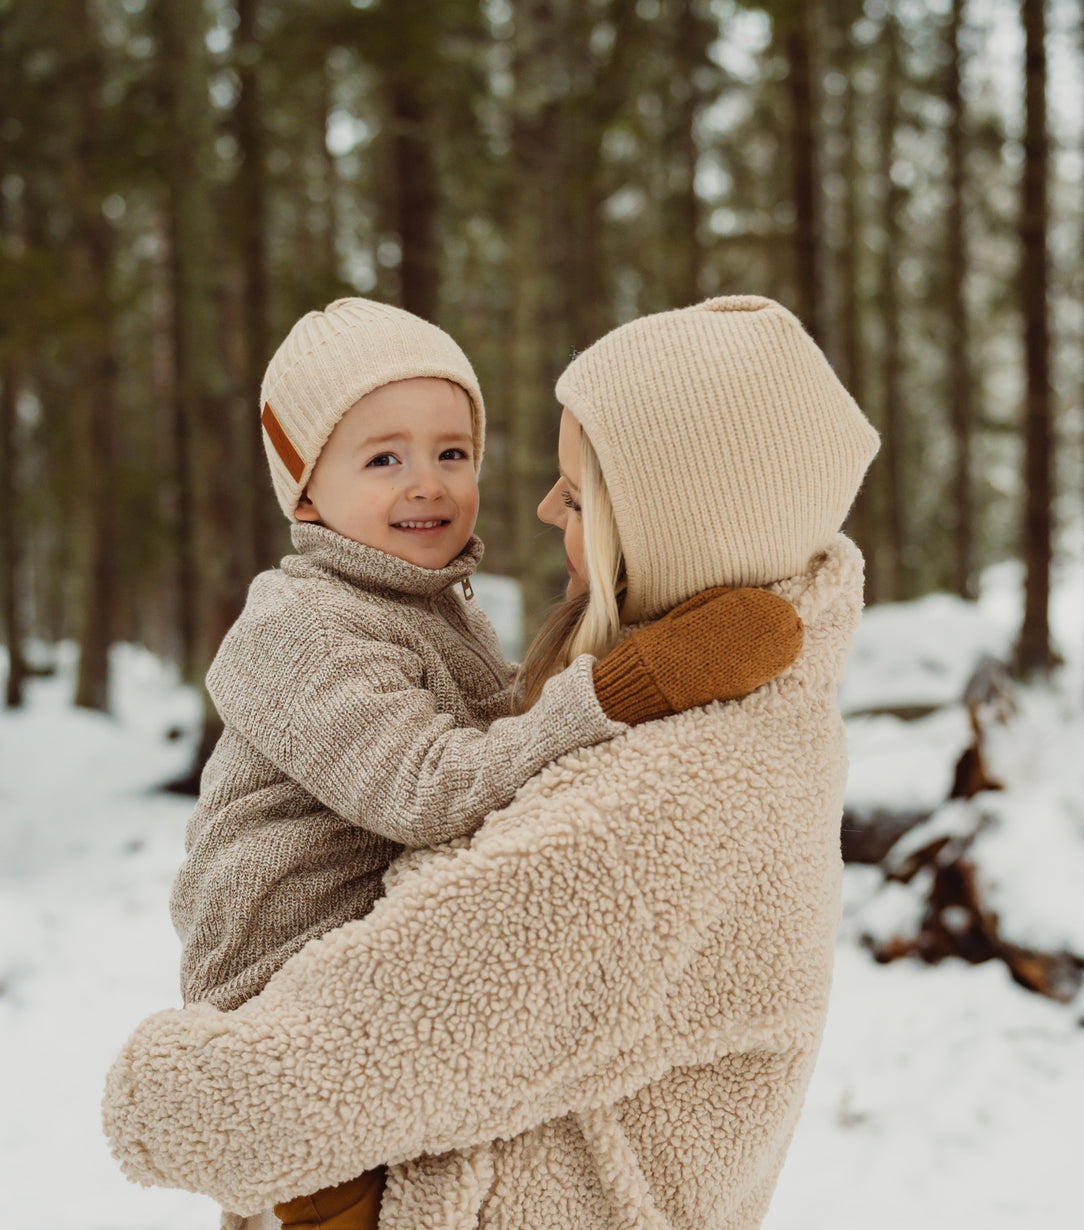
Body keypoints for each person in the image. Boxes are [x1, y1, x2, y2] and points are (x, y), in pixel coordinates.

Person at [104, 295, 879, 1230]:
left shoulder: (659, 796)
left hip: (323, 1044)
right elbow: (435, 787)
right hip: (274, 964)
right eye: (384, 458)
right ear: (303, 489)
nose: (430, 483)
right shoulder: (301, 628)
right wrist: (608, 696)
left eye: (453, 453)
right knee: (314, 1190)